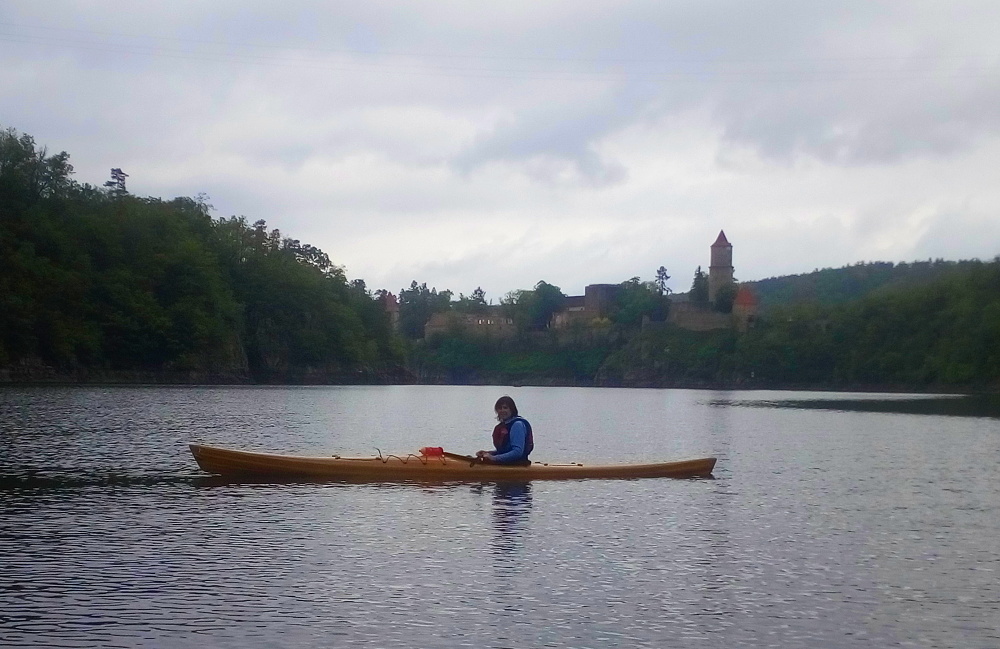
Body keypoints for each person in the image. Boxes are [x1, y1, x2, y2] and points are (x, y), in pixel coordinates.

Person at [476, 396, 534, 465]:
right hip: (507, 463)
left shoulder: (517, 425)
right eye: (500, 408)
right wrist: (488, 453)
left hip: (518, 464)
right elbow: (505, 451)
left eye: (505, 408)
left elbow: (517, 452)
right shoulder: (504, 425)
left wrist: (494, 458)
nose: (502, 410)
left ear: (512, 409)